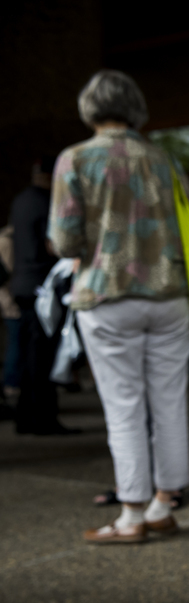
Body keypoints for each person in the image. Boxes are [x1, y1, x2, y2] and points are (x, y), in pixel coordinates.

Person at [50, 70, 189, 543]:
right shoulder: (163, 160)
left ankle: (131, 514)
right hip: (169, 292)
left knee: (124, 405)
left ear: (89, 107)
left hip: (106, 291)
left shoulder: (74, 159)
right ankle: (162, 502)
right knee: (170, 400)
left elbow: (64, 238)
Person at [8, 157, 78, 436]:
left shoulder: (20, 201)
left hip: (22, 283)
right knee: (42, 356)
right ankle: (43, 419)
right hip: (42, 286)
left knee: (27, 354)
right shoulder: (48, 203)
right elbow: (55, 244)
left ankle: (25, 418)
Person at [0, 223, 20, 414]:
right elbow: (5, 273)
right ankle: (11, 384)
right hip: (10, 297)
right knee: (15, 340)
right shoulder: (7, 241)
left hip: (10, 295)